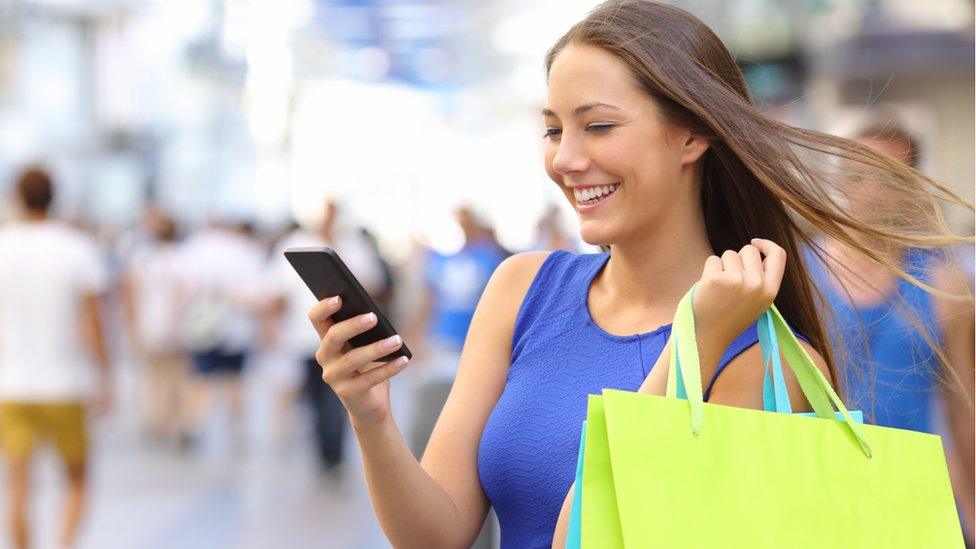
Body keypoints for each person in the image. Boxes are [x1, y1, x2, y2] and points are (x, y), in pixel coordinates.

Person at [305, 2, 972, 547]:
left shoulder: (766, 363)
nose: (567, 159)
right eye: (552, 130)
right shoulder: (522, 289)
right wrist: (371, 417)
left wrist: (695, 341)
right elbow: (437, 535)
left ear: (691, 136)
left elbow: (585, 537)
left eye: (597, 126)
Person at [806, 117, 975, 541]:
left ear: (912, 183)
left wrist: (971, 503)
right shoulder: (802, 275)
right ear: (840, 182)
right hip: (824, 494)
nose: (872, 191)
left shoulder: (942, 283)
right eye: (858, 176)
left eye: (888, 177)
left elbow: (963, 405)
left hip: (918, 491)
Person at [0, 167, 113, 549]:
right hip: (65, 383)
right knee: (77, 478)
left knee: (17, 483)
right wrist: (105, 376)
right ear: (54, 196)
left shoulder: (4, 245)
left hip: (11, 384)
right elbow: (93, 321)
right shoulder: (75, 247)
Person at [266, 201, 387, 474]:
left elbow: (374, 285)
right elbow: (277, 292)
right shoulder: (296, 242)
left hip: (345, 341)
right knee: (315, 400)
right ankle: (323, 453)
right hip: (303, 340)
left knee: (337, 401)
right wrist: (270, 325)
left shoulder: (353, 244)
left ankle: (333, 456)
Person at [179, 219, 266, 450]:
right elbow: (258, 295)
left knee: (199, 379)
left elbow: (183, 290)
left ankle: (192, 425)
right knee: (235, 381)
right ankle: (236, 430)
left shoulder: (195, 249)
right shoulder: (246, 251)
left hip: (203, 328)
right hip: (237, 328)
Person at [121, 210, 190, 447]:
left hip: (148, 326)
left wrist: (132, 326)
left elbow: (129, 294)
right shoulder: (182, 259)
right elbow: (185, 295)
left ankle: (158, 420)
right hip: (177, 329)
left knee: (153, 378)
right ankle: (176, 423)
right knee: (178, 378)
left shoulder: (141, 260)